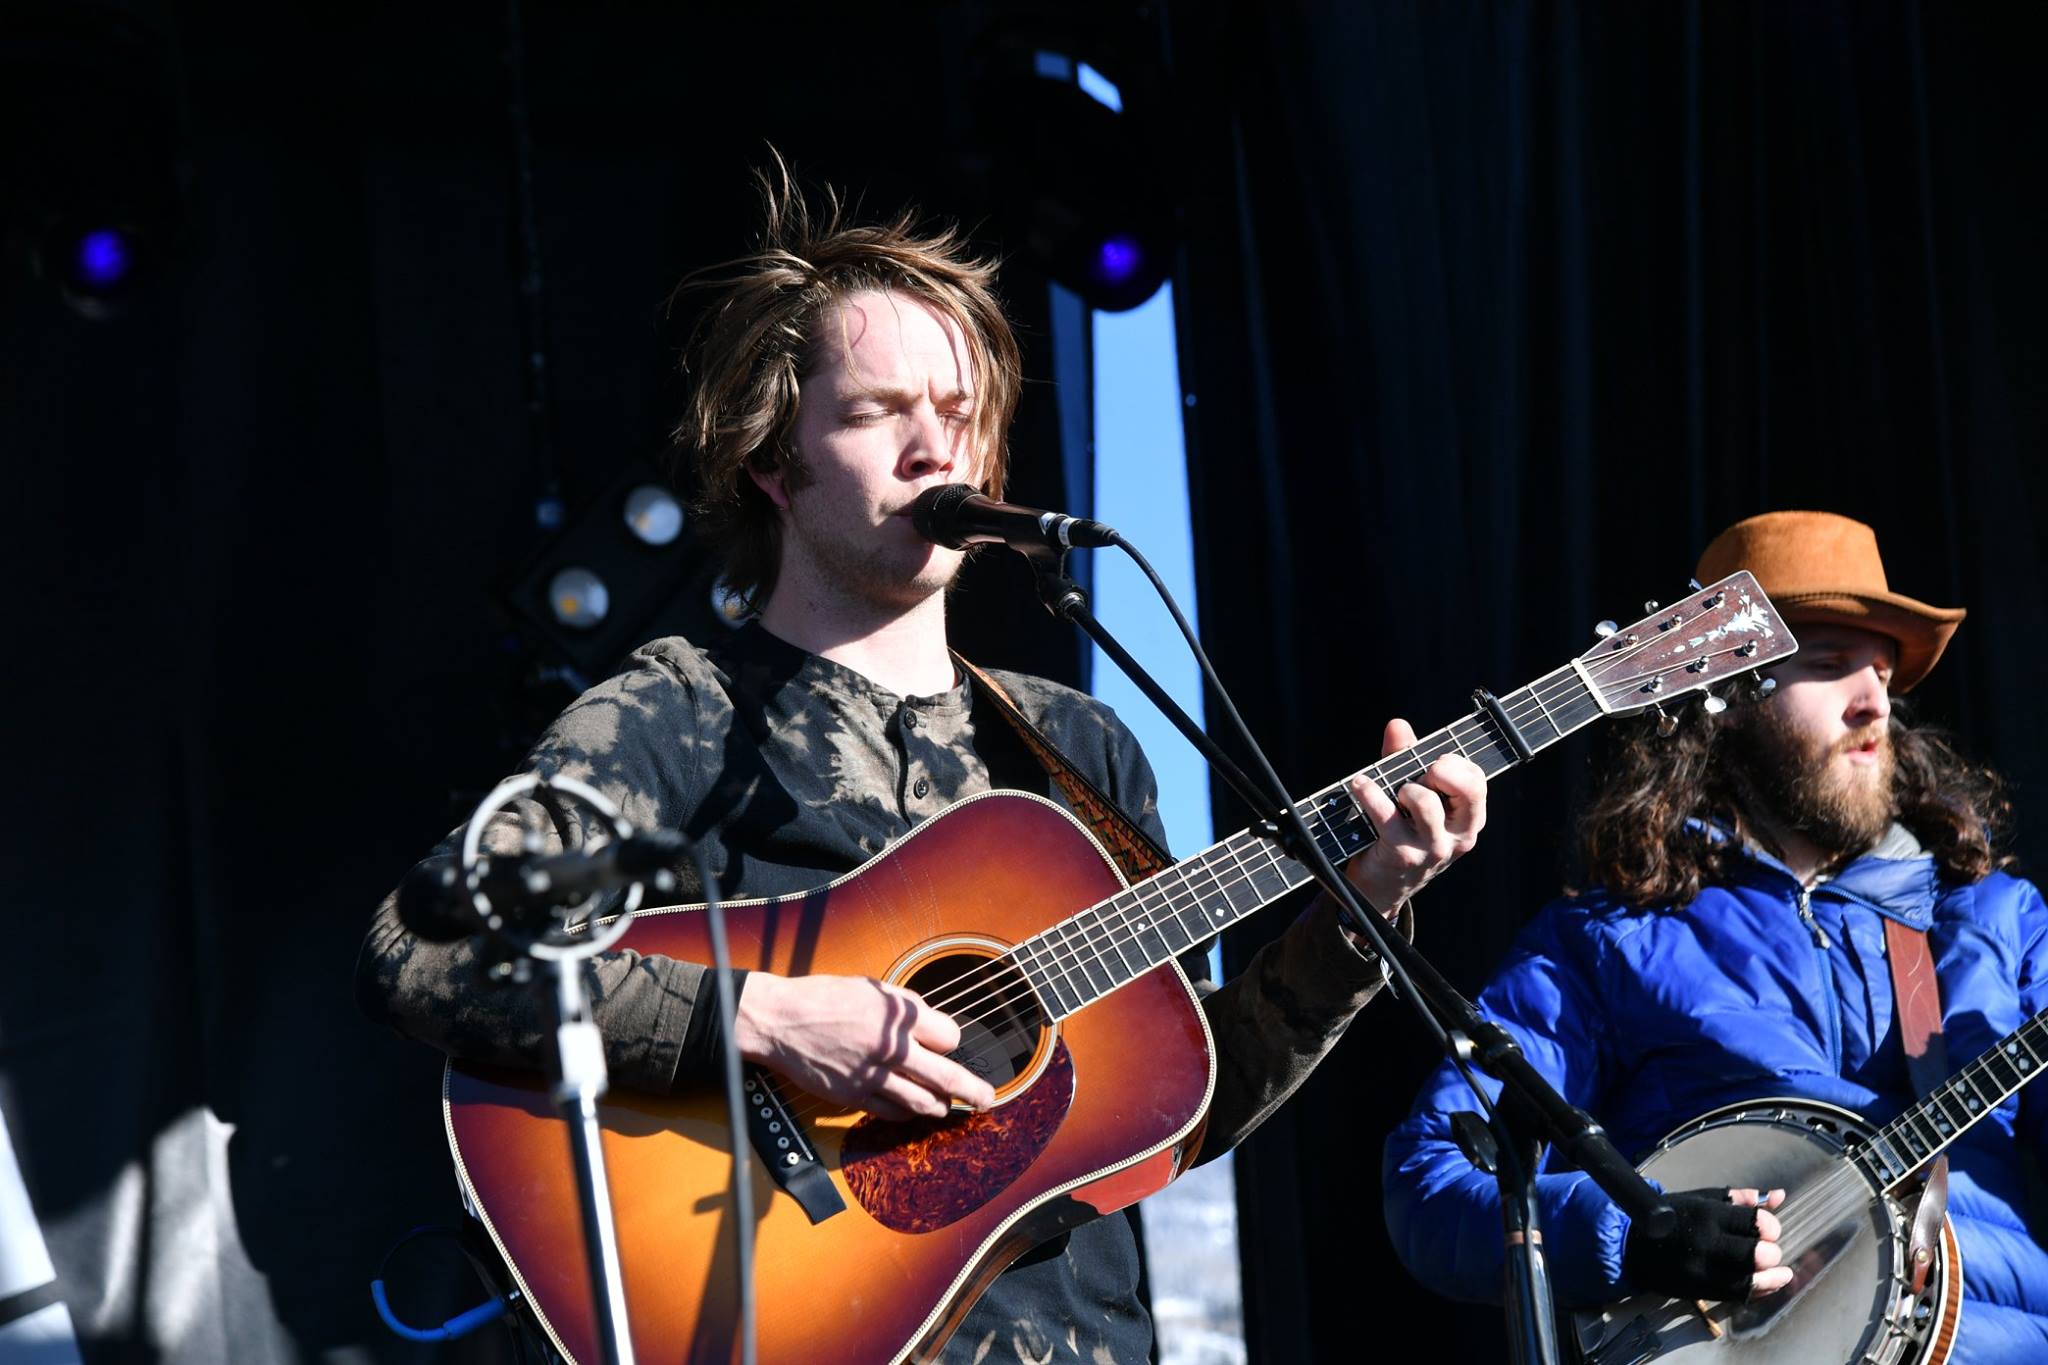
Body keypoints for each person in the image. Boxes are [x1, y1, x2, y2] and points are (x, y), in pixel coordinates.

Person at [356, 164, 1489, 1365]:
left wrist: (1368, 899)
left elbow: (1181, 1100)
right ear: (771, 464)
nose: (928, 448)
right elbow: (430, 949)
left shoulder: (1077, 744)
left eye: (956, 413)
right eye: (871, 412)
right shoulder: (680, 707)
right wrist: (769, 1018)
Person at [1383, 510, 2048, 1360]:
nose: (1874, 700)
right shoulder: (1603, 942)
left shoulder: (1999, 922)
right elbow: (1431, 1177)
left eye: (1882, 669)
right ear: (1727, 698)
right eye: (1831, 662)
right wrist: (1630, 1234)